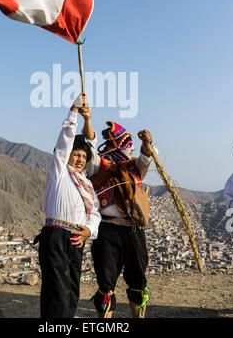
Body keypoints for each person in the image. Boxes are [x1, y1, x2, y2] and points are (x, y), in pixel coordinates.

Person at [80, 104, 155, 318]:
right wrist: (88, 120)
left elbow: (146, 157)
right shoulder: (99, 166)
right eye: (126, 145)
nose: (128, 150)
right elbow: (90, 144)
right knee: (106, 283)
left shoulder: (135, 168)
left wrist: (146, 142)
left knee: (138, 280)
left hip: (133, 231)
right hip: (107, 231)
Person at [38, 93, 101, 319]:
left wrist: (88, 231)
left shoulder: (86, 183)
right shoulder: (59, 171)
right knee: (57, 290)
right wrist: (74, 111)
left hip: (76, 239)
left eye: (84, 156)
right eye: (76, 154)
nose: (81, 159)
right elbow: (65, 140)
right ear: (67, 156)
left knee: (72, 289)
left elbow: (94, 213)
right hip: (55, 236)